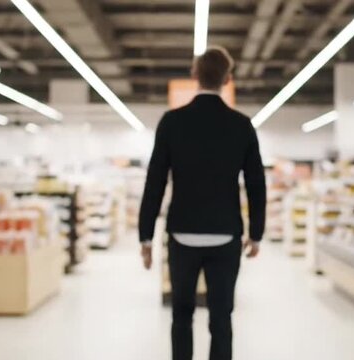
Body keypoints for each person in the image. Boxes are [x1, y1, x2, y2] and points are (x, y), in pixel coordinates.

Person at [138, 45, 267, 360]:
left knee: (181, 316)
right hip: (225, 235)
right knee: (221, 318)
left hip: (182, 234)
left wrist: (146, 235)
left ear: (194, 75)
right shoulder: (242, 125)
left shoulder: (171, 122)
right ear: (228, 79)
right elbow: (255, 184)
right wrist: (257, 232)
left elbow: (155, 182)